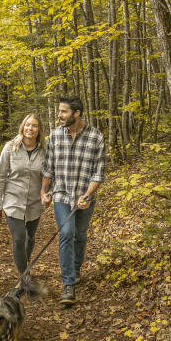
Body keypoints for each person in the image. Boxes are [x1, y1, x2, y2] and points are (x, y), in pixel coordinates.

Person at [40, 96, 105, 306]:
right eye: (59, 111)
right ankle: (68, 285)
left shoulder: (96, 137)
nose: (59, 115)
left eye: (64, 112)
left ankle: (76, 268)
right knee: (66, 233)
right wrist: (44, 191)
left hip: (85, 196)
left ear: (76, 113)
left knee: (80, 235)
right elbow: (48, 168)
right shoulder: (55, 136)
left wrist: (87, 195)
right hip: (61, 195)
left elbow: (99, 172)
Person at [0, 114, 47, 275]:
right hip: (12, 200)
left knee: (30, 238)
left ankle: (25, 263)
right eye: (27, 125)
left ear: (39, 130)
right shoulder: (10, 148)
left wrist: (47, 193)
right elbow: (0, 176)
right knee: (19, 238)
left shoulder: (44, 150)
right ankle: (25, 278)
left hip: (34, 203)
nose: (30, 128)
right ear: (22, 127)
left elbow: (48, 176)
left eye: (34, 126)